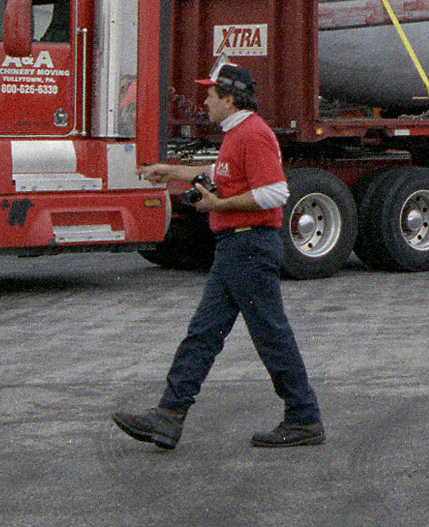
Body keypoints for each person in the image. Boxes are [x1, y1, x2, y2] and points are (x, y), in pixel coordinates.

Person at [112, 63, 324, 450]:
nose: (204, 101)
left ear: (229, 99)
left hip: (249, 248)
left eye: (211, 94)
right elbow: (222, 170)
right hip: (236, 249)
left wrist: (219, 205)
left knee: (269, 335)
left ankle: (304, 417)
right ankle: (168, 417)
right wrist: (172, 172)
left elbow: (276, 192)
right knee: (204, 334)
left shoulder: (253, 134)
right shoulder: (237, 134)